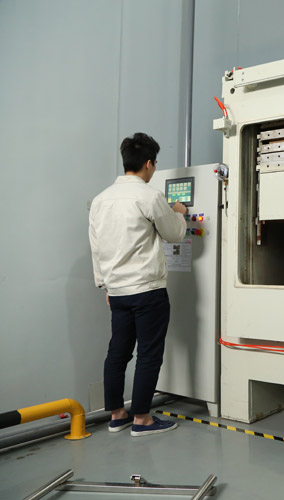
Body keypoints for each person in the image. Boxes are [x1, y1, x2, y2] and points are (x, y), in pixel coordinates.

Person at [88, 132, 187, 437]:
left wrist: (105, 286)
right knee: (148, 354)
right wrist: (179, 213)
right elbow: (174, 234)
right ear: (148, 163)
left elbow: (96, 247)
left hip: (117, 292)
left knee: (117, 353)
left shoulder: (100, 200)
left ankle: (118, 415)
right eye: (154, 164)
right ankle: (142, 419)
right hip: (147, 290)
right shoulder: (149, 196)